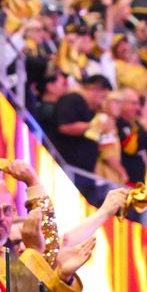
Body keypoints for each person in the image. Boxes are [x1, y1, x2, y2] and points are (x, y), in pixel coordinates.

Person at [49, 74, 112, 203]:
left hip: (84, 173)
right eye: (102, 97)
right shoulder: (73, 100)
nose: (102, 102)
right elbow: (64, 126)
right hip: (68, 169)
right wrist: (92, 125)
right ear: (94, 89)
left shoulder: (91, 111)